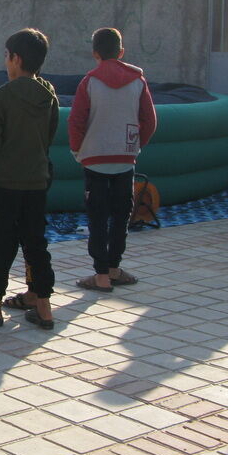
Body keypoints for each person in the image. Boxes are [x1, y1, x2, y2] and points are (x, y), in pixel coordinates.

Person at [0, 28, 59, 330]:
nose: (5, 62)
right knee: (36, 245)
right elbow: (50, 134)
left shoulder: (4, 95)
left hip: (7, 183)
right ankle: (44, 308)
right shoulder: (48, 94)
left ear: (16, 59)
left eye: (6, 56)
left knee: (2, 246)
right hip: (37, 182)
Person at [69, 27, 157, 292]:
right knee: (121, 215)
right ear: (121, 51)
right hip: (125, 158)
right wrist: (136, 145)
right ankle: (115, 267)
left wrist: (77, 151)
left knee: (97, 216)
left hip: (94, 158)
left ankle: (100, 275)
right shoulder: (138, 80)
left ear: (95, 53)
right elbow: (150, 120)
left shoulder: (90, 81)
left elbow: (76, 120)